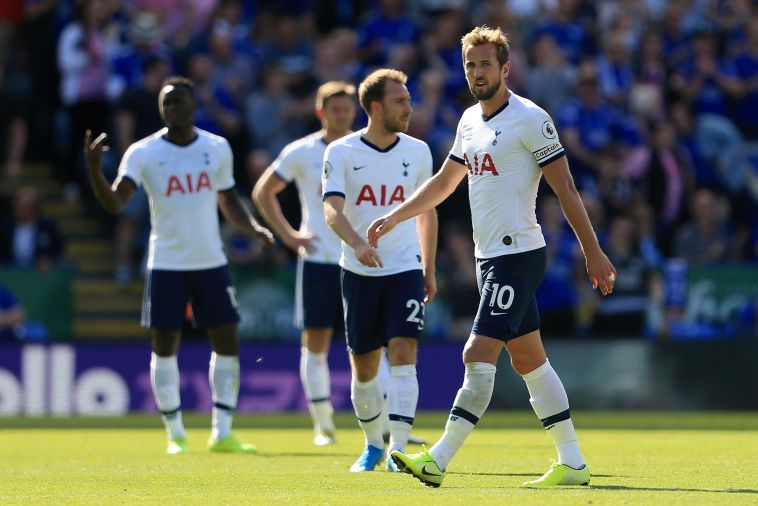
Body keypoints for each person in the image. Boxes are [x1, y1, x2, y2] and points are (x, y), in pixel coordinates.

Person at [367, 26, 616, 488]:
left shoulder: (530, 118)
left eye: (485, 64)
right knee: (529, 361)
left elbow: (565, 188)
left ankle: (437, 460)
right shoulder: (468, 121)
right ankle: (573, 462)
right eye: (469, 65)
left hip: (518, 254)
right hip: (489, 259)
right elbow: (445, 182)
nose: (476, 72)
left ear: (505, 69)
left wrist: (593, 253)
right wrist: (397, 215)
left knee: (476, 353)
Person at [84, 76, 274, 455]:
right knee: (164, 345)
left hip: (211, 261)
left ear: (194, 105)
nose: (171, 109)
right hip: (166, 263)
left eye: (177, 102)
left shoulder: (216, 147)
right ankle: (175, 433)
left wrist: (252, 228)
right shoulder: (143, 152)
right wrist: (94, 170)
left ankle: (222, 432)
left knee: (227, 342)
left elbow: (228, 199)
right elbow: (116, 204)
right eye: (165, 103)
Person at [322, 68, 438, 472]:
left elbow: (427, 212)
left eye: (408, 100)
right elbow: (331, 210)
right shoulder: (341, 152)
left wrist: (430, 266)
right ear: (375, 107)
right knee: (365, 367)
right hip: (358, 273)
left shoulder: (419, 151)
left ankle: (398, 450)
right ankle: (372, 444)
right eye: (400, 101)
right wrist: (357, 243)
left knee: (405, 352)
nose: (408, 108)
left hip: (405, 267)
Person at [252, 80, 357, 446]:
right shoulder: (302, 152)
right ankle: (323, 424)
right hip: (318, 259)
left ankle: (385, 425)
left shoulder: (364, 149)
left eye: (347, 109)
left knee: (372, 342)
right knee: (315, 343)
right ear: (320, 112)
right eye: (335, 109)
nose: (342, 114)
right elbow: (263, 190)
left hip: (358, 259)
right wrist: (288, 235)